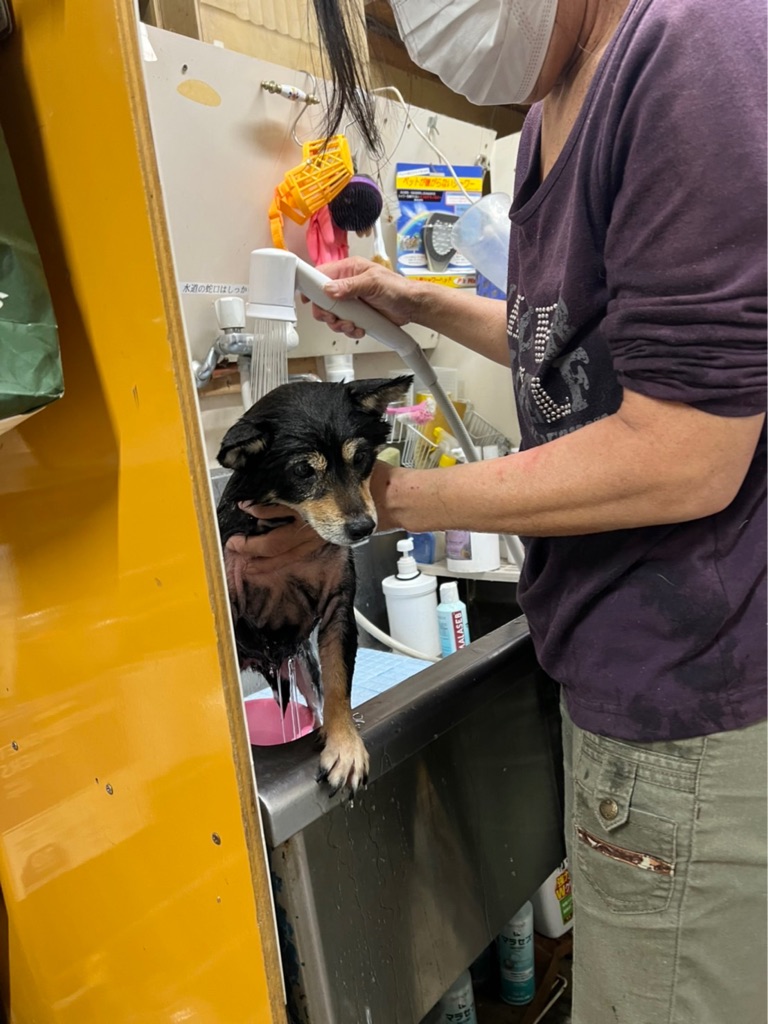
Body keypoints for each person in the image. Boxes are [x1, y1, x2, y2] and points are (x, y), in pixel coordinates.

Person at [230, 1, 767, 1021]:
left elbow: (686, 456)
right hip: (617, 668)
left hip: (692, 691)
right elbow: (572, 343)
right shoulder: (553, 104)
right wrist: (426, 303)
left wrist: (385, 500)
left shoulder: (698, 44)